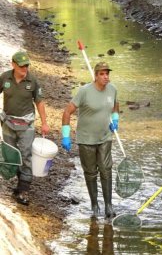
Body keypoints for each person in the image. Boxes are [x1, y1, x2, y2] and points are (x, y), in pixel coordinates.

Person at [61, 62, 119, 219]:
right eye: (102, 74)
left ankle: (108, 205)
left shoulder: (112, 89)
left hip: (105, 136)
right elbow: (67, 112)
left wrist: (115, 118)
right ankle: (94, 204)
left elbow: (115, 105)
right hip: (86, 139)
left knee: (106, 169)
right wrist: (65, 134)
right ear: (96, 75)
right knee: (91, 172)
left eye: (107, 73)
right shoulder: (84, 91)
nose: (106, 76)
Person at [0, 51, 49, 205]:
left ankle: (23, 190)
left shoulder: (32, 81)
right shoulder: (4, 78)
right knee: (11, 154)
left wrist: (44, 123)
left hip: (27, 124)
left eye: (26, 65)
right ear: (13, 64)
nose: (24, 68)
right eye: (21, 65)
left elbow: (39, 102)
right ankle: (18, 183)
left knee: (26, 155)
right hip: (8, 123)